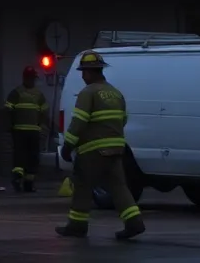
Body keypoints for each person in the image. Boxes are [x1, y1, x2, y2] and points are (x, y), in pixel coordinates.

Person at [57, 50, 145, 241]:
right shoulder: (116, 93)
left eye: (84, 72)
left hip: (92, 150)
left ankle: (77, 226)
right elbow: (123, 120)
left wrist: (68, 145)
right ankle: (134, 222)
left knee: (82, 185)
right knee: (119, 186)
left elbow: (79, 122)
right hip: (116, 148)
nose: (82, 76)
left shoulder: (88, 93)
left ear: (90, 72)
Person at [5, 65, 49, 193]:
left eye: (32, 78)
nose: (31, 80)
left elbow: (44, 113)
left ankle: (27, 183)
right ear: (25, 78)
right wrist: (9, 126)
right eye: (30, 78)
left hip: (30, 131)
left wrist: (43, 127)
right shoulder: (19, 93)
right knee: (23, 156)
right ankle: (18, 179)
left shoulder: (19, 93)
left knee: (31, 157)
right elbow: (8, 111)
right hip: (22, 131)